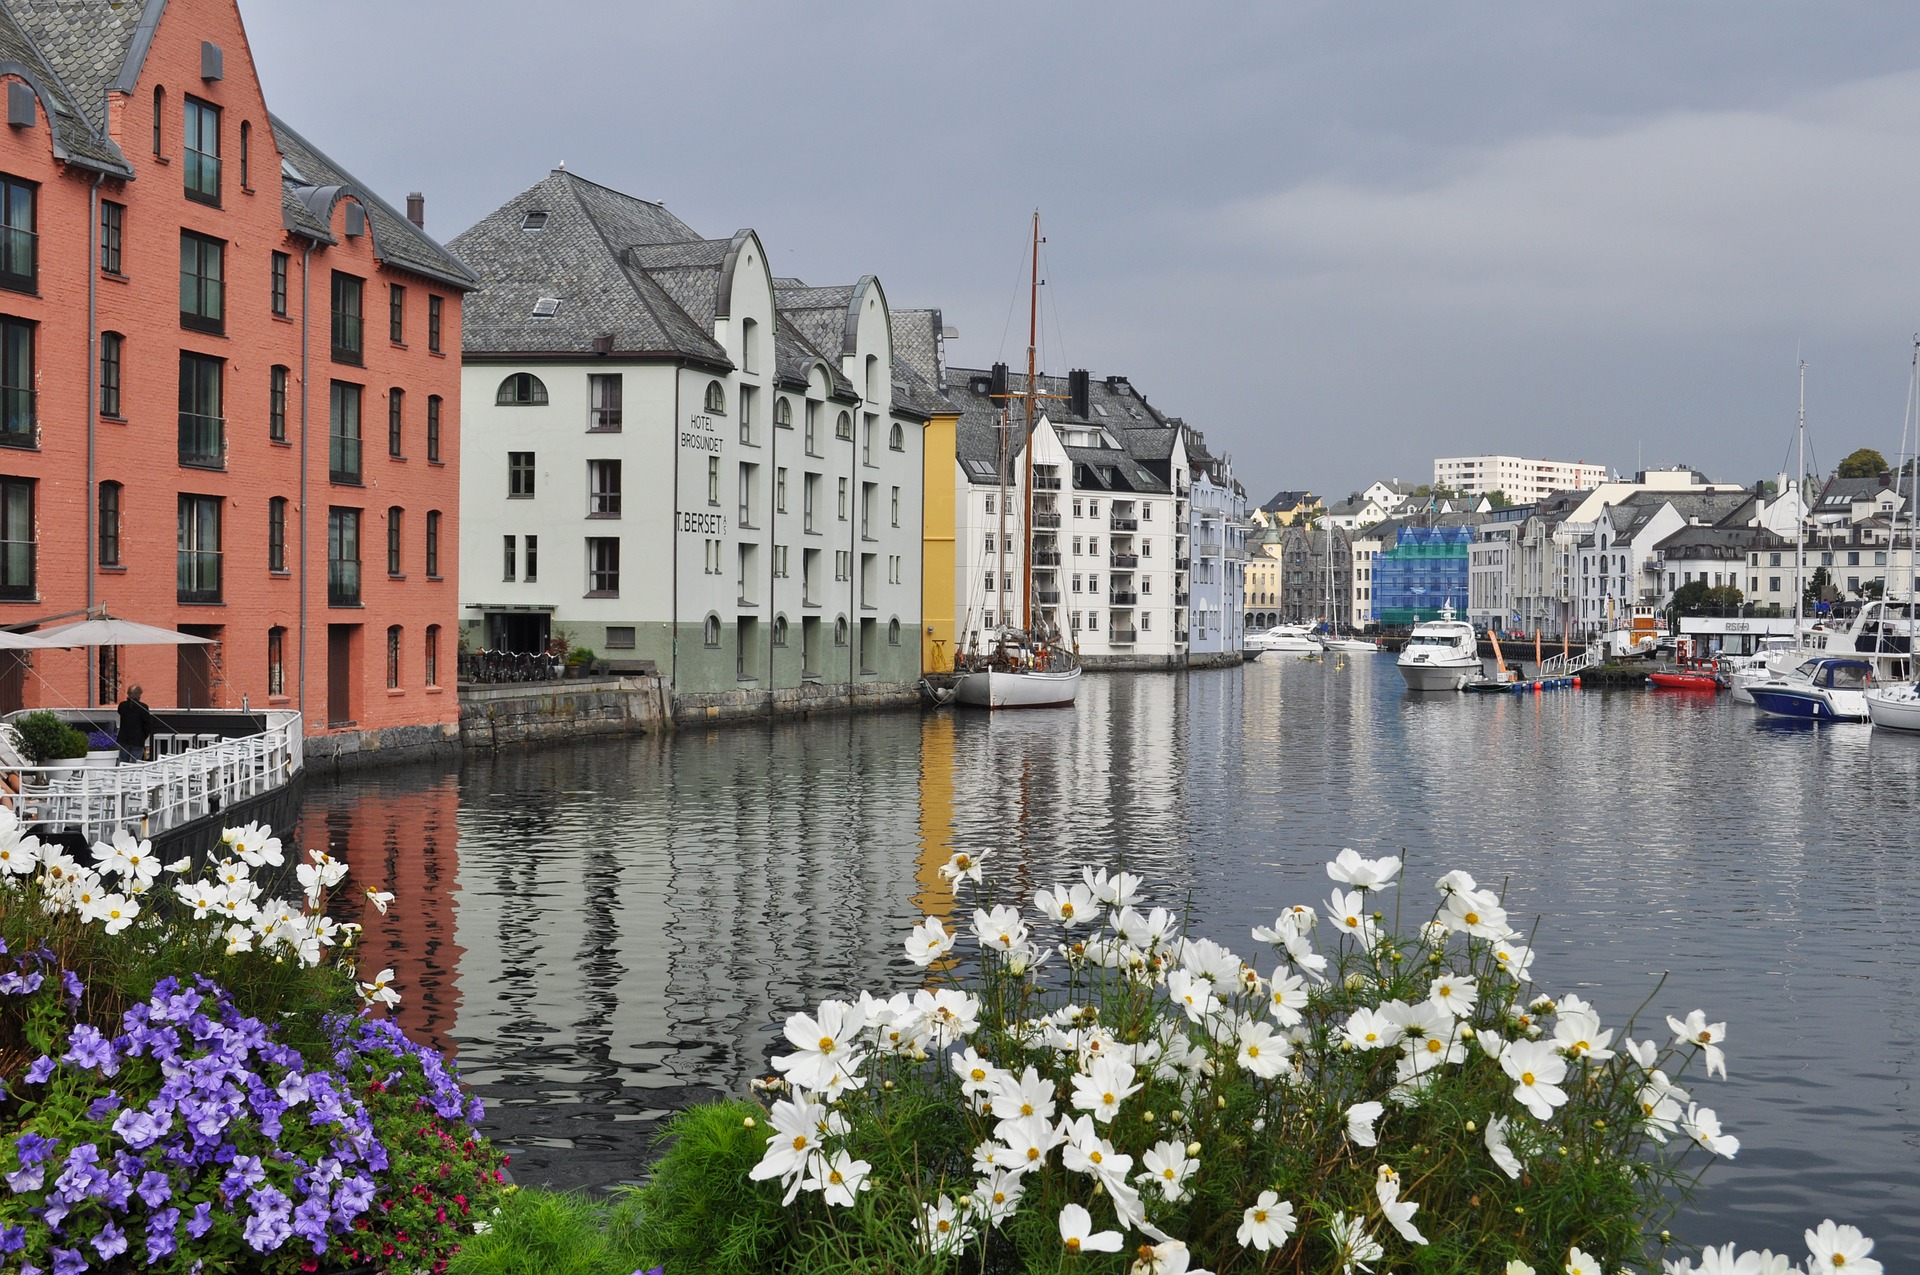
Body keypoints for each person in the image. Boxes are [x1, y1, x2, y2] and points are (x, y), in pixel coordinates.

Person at [116, 685, 161, 763]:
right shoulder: (143, 707)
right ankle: (134, 775)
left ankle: (123, 775)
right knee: (136, 762)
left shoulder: (122, 705)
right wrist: (144, 736)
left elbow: (120, 712)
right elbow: (147, 724)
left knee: (123, 761)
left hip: (124, 738)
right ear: (139, 695)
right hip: (138, 739)